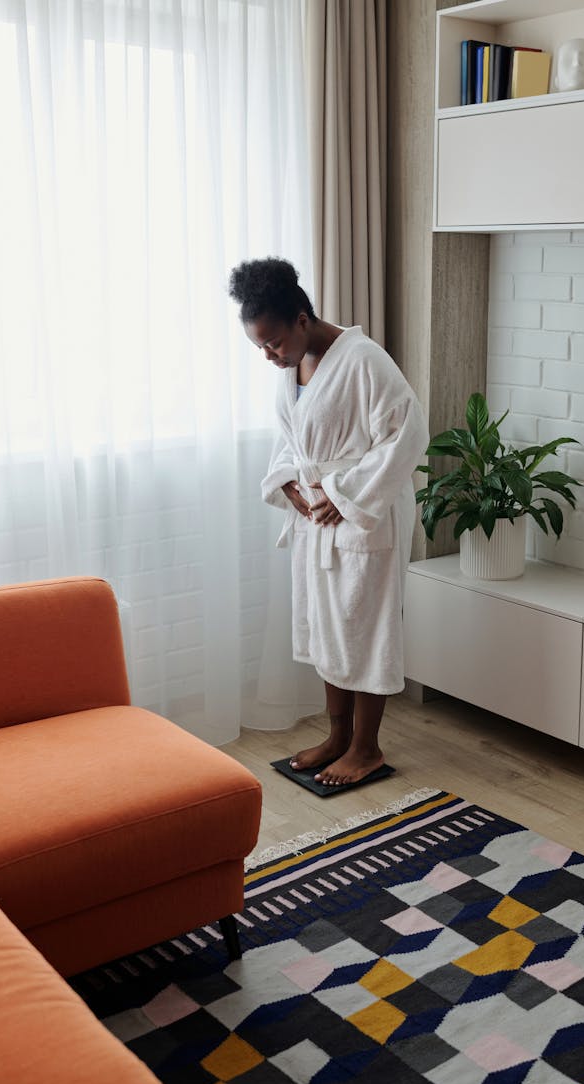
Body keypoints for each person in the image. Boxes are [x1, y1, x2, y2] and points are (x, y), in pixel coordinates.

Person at [228, 257, 429, 787]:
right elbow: (293, 441)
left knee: (364, 628)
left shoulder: (363, 360)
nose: (270, 356)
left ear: (300, 318)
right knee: (329, 626)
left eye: (273, 343)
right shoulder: (293, 367)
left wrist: (345, 494)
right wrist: (288, 482)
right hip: (318, 515)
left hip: (366, 513)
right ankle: (338, 737)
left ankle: (367, 748)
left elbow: (407, 437)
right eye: (260, 348)